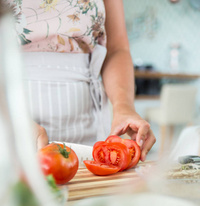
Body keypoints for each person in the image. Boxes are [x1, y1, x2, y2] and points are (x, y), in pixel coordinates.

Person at [7, 0, 156, 161]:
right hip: (9, 116)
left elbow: (116, 50)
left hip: (88, 122)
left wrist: (124, 108)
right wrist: (7, 118)